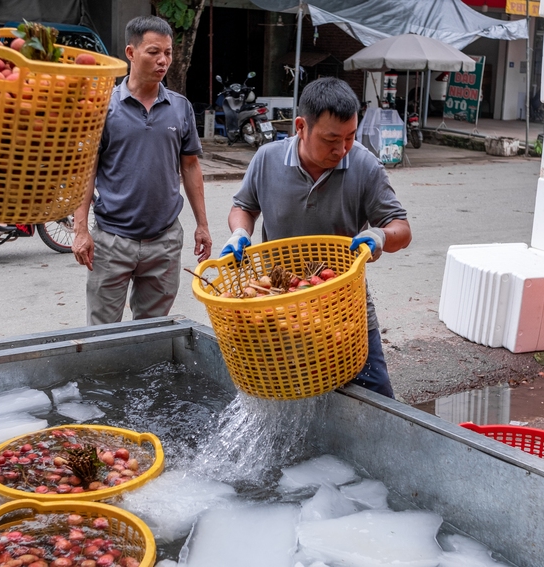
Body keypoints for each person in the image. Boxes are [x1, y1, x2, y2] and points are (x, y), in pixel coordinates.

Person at [220, 77, 412, 398]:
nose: (341, 149)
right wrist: (240, 231)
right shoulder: (267, 159)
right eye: (331, 139)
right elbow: (243, 207)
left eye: (350, 137)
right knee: (282, 398)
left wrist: (379, 236)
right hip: (279, 308)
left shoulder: (365, 166)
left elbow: (401, 229)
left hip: (345, 311)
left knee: (377, 404)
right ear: (301, 126)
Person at [72, 16, 212, 325]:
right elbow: (86, 172)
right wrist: (81, 229)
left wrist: (202, 224)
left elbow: (190, 166)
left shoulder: (180, 107)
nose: (163, 60)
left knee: (151, 333)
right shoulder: (103, 107)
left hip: (164, 240)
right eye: (153, 52)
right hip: (112, 239)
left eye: (168, 52)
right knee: (103, 332)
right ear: (131, 53)